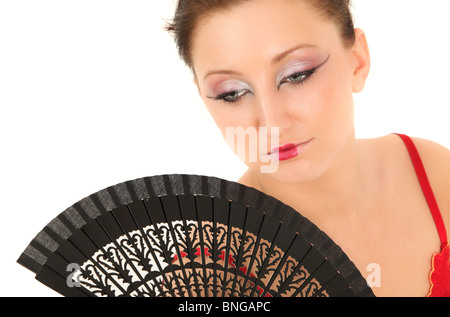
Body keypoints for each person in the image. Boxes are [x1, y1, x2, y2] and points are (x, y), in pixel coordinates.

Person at [165, 0, 450, 297]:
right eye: (232, 93)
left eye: (297, 74)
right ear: (203, 95)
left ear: (358, 60)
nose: (272, 122)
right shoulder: (205, 276)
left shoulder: (434, 173)